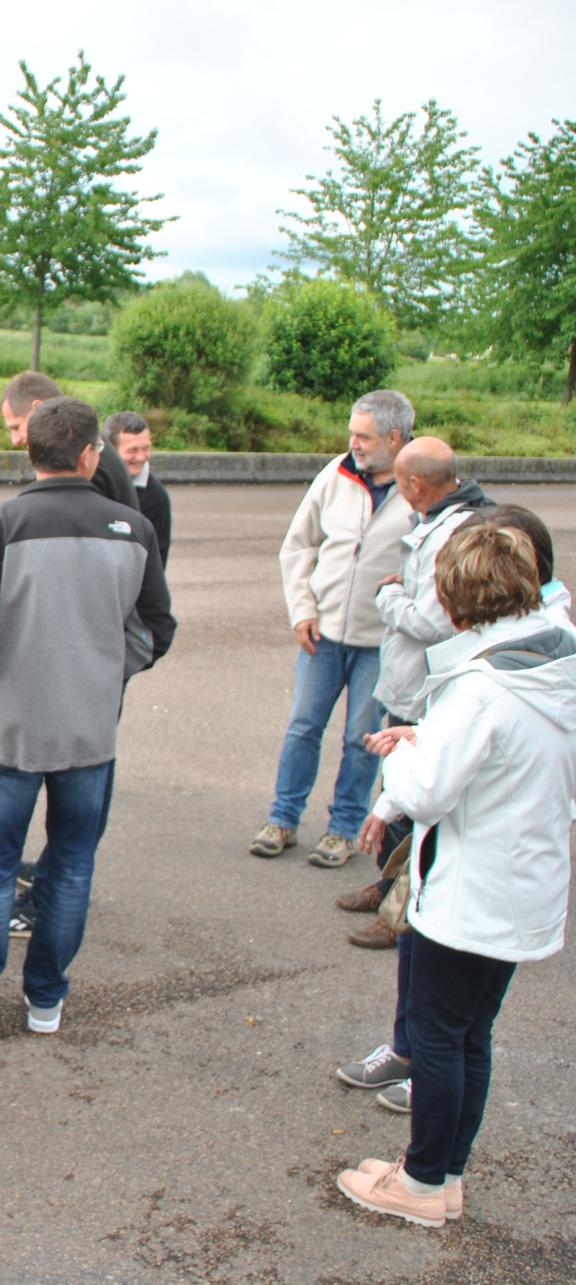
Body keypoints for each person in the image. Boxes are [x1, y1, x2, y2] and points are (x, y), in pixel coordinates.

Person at [0, 397, 174, 1040]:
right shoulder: (131, 530)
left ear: (29, 451)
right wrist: (107, 670)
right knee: (72, 866)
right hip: (90, 730)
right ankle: (46, 998)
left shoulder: (1, 525)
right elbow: (156, 629)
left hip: (11, 727)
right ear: (91, 454)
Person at [335, 523, 575, 1229]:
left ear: (455, 602)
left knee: (437, 1035)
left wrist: (405, 750)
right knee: (472, 1034)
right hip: (528, 878)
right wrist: (432, 741)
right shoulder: (556, 660)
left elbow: (428, 792)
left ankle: (420, 1181)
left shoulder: (480, 689)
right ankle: (443, 1173)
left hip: (472, 888)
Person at [336, 437, 489, 950]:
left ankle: (401, 909)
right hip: (414, 682)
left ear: (415, 484)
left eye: (401, 485)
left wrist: (388, 594)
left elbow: (431, 620)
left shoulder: (453, 532)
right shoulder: (451, 519)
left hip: (425, 684)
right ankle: (387, 886)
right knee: (396, 791)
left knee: (414, 800)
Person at [250, 389, 414, 867]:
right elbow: (298, 545)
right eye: (351, 433)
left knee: (362, 738)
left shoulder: (421, 484)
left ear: (394, 438)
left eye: (362, 436)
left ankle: (344, 828)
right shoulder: (336, 473)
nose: (353, 444)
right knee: (303, 728)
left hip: (381, 643)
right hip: (322, 635)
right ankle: (282, 819)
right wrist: (302, 609)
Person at [1, 372, 138, 512]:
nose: (15, 440)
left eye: (16, 427)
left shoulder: (81, 455)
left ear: (37, 408)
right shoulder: (85, 443)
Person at [104, 411, 171, 566]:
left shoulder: (157, 497)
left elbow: (158, 560)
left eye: (146, 448)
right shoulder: (92, 482)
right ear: (112, 451)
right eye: (132, 450)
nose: (141, 457)